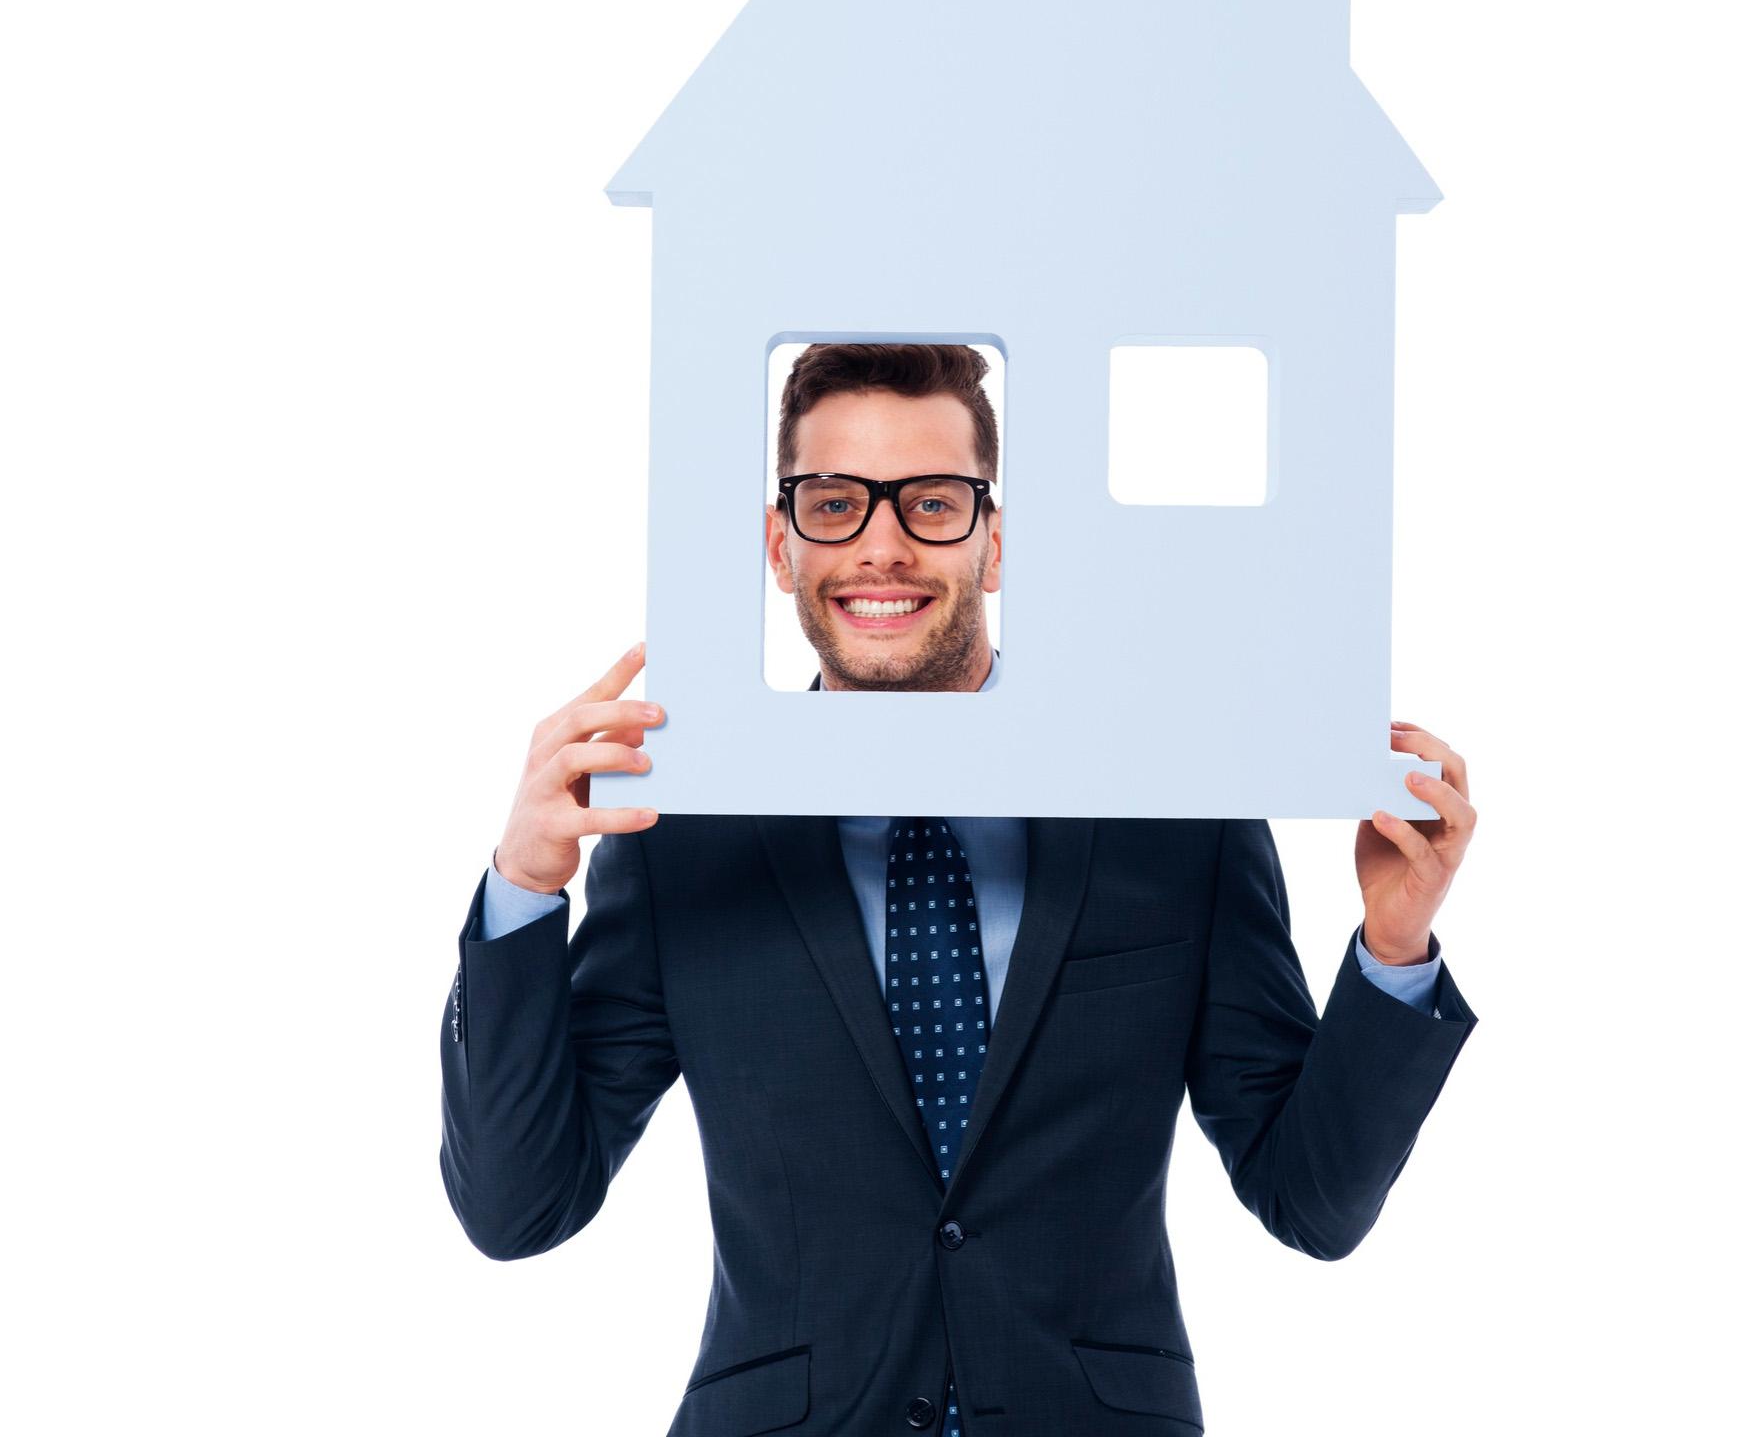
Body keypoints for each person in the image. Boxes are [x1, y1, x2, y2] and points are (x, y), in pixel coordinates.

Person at [440, 342, 1479, 1436]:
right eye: (833, 502)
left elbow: (1307, 1199)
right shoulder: (681, 834)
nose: (879, 546)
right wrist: (523, 889)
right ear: (777, 543)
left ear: (993, 540)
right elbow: (519, 1205)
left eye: (930, 501)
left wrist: (1394, 945)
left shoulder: (1170, 807)